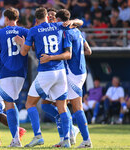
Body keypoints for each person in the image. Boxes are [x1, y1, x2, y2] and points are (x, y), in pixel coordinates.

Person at [14, 7, 80, 148]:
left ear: (36, 19)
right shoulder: (57, 26)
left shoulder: (34, 30)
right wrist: (73, 21)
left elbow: (24, 53)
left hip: (46, 72)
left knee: (30, 104)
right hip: (61, 72)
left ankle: (38, 136)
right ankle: (67, 140)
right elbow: (78, 23)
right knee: (62, 107)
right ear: (47, 17)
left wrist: (21, 43)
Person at [40, 9, 93, 148]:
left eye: (55, 18)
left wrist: (51, 57)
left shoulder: (66, 32)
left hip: (73, 73)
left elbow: (68, 55)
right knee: (57, 104)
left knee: (76, 107)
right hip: (79, 71)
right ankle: (68, 135)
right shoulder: (77, 31)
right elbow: (88, 51)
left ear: (59, 20)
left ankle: (85, 140)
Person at [0, 7, 29, 147]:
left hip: (6, 74)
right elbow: (33, 47)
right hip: (21, 74)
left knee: (9, 105)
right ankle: (17, 135)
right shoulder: (25, 31)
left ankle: (16, 139)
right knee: (12, 103)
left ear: (6, 18)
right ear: (17, 18)